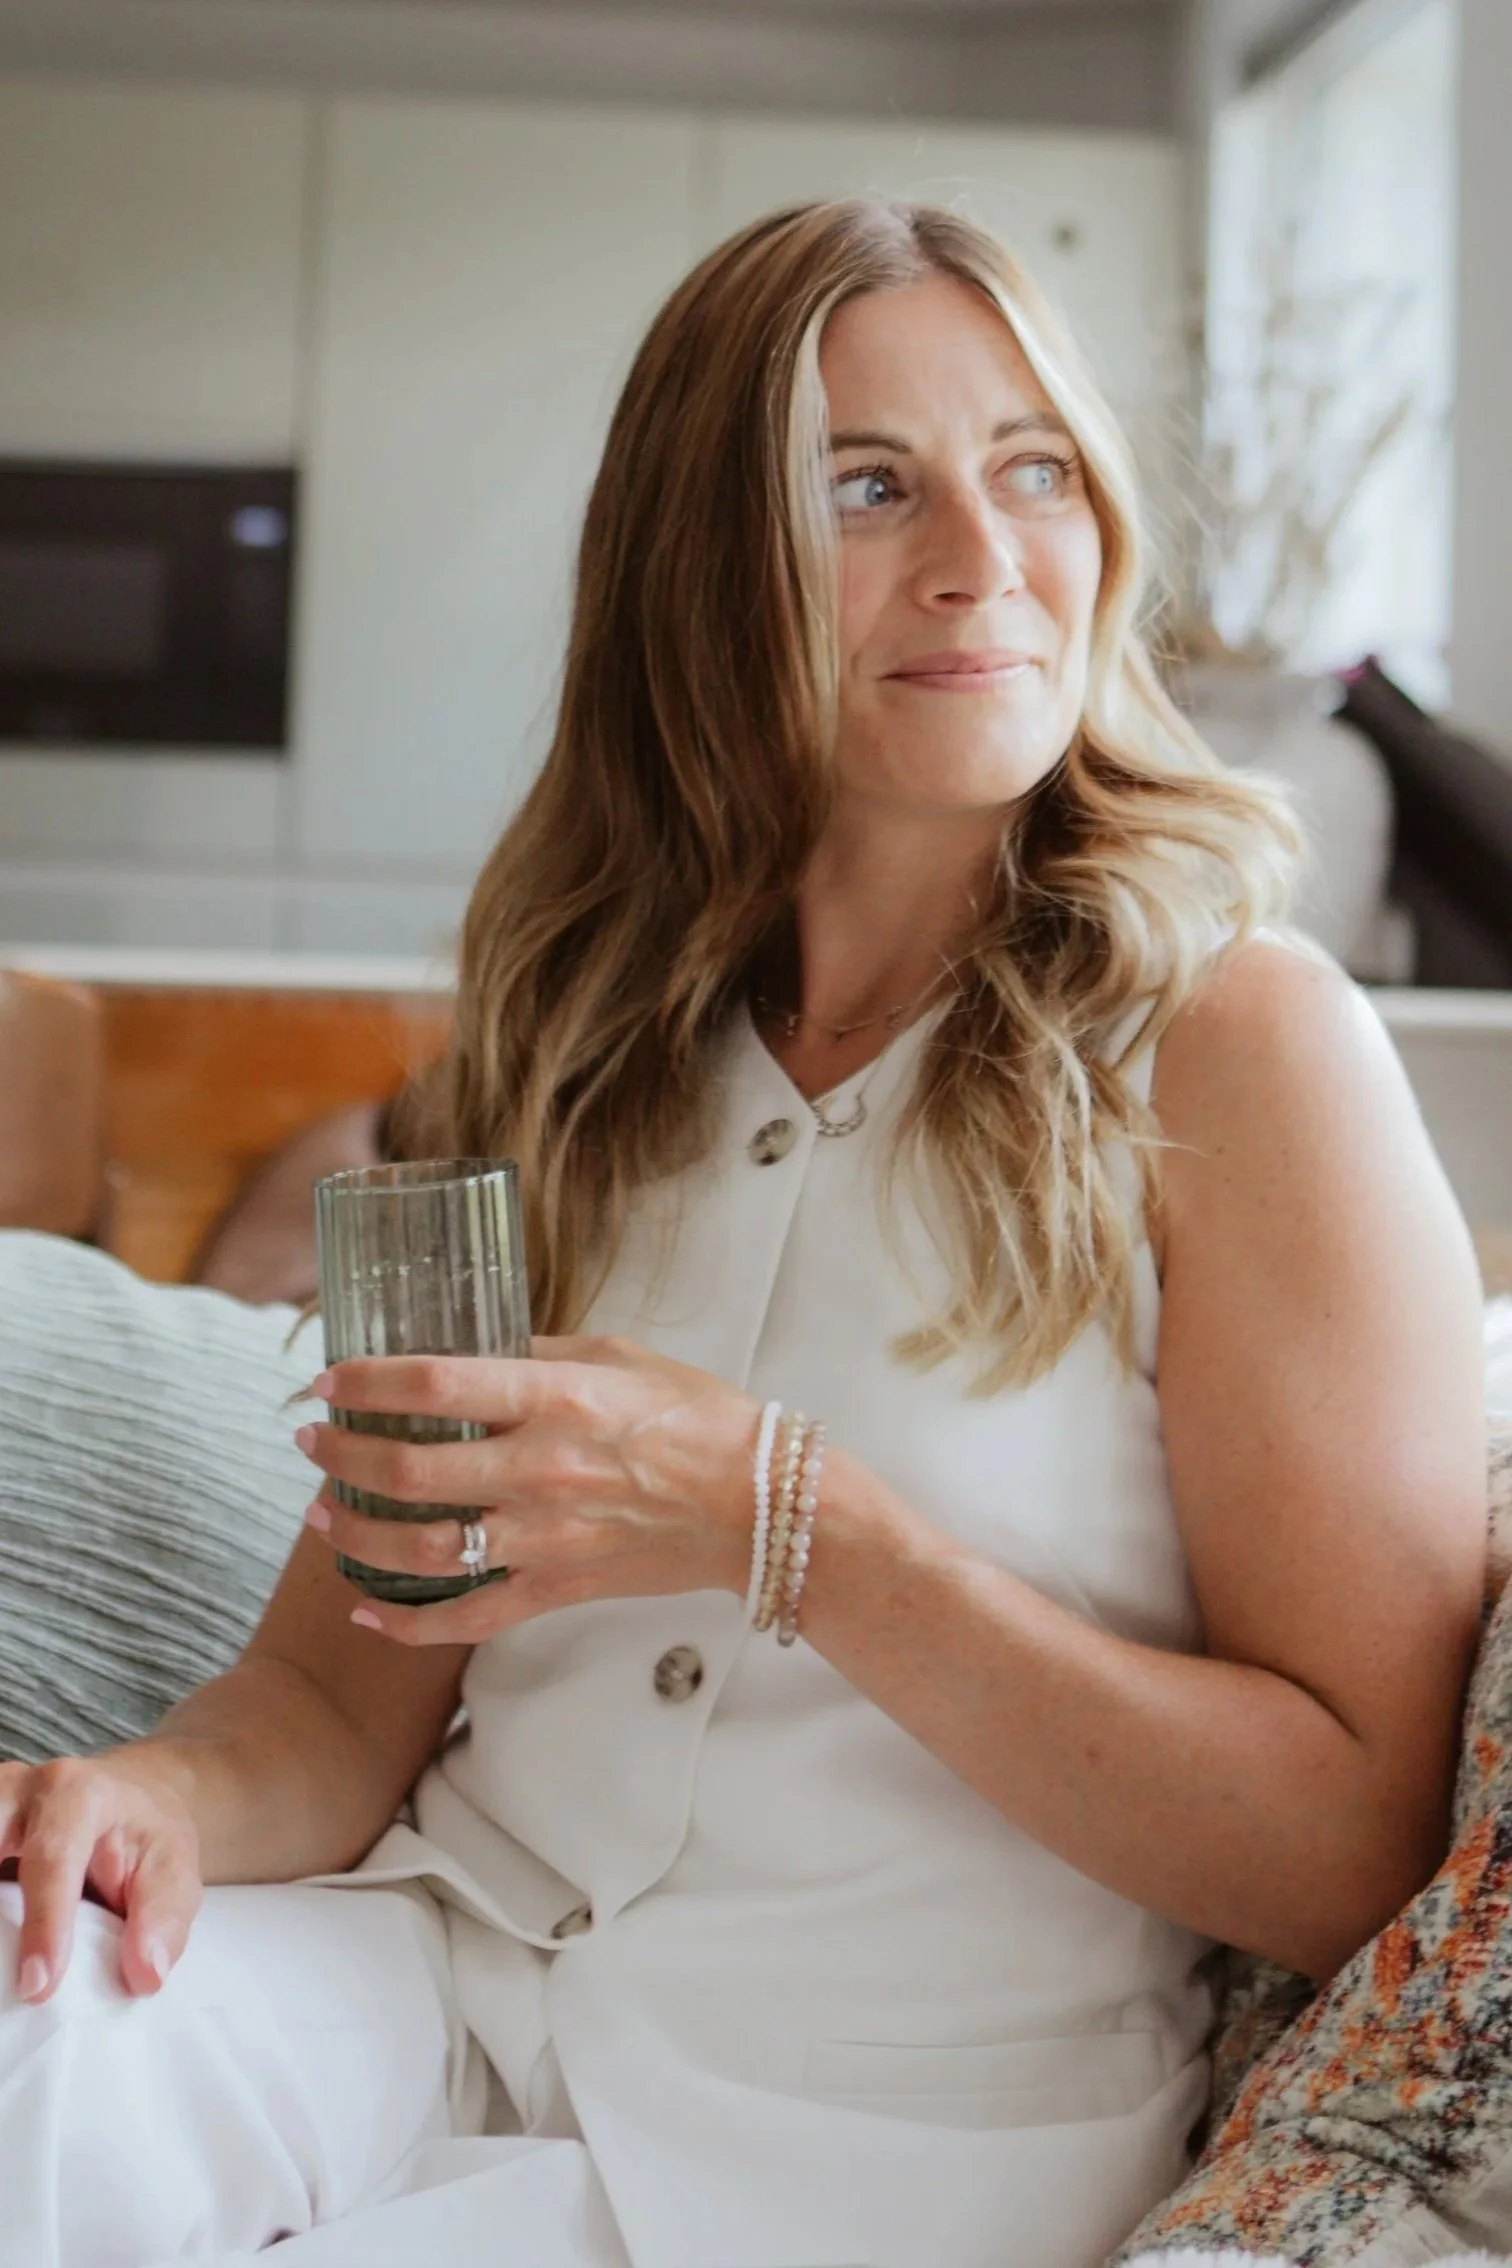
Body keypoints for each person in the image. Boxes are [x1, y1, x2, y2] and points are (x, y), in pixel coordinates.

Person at [0, 200, 1488, 2268]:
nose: (984, 555)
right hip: (435, 1986)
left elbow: (1349, 1854)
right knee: (25, 2027)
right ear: (699, 573)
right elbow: (339, 1705)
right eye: (867, 486)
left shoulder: (1242, 1054)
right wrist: (153, 1792)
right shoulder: (570, 1049)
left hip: (861, 2144)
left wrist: (798, 1527)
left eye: (1033, 465)